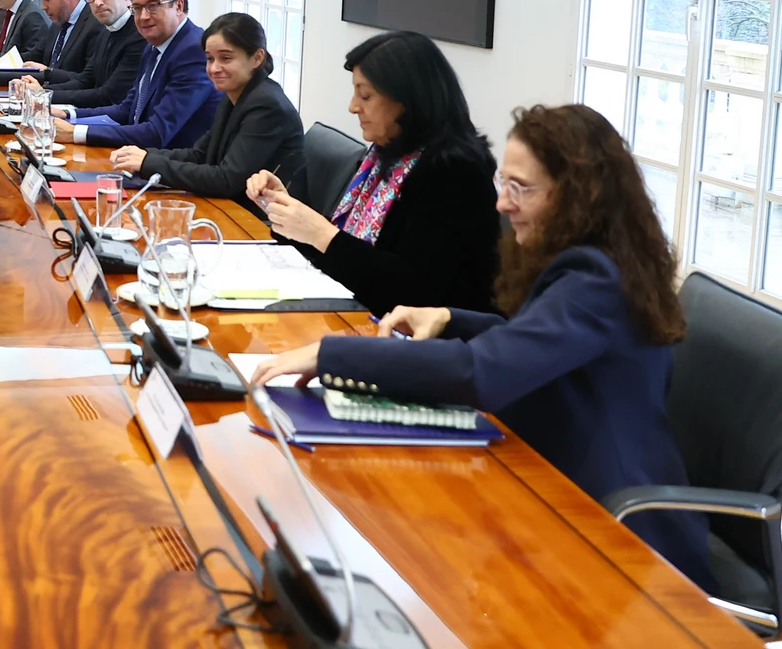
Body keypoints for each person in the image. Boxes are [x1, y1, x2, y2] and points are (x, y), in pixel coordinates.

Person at [250, 104, 714, 593]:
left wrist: (332, 354)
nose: (502, 204)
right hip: (550, 480)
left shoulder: (594, 280)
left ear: (579, 197)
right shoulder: (592, 262)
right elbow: (532, 338)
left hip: (613, 526)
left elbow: (481, 373)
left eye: (522, 188)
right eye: (503, 184)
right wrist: (451, 318)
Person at [245, 30, 499, 314]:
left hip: (424, 343)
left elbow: (416, 292)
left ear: (407, 99)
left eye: (365, 95)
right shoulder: (386, 155)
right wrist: (286, 209)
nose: (353, 107)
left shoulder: (454, 172)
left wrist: (320, 233)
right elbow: (343, 251)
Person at [111, 13, 304, 219]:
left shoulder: (267, 105)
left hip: (262, 223)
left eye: (226, 58)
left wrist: (149, 162)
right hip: (232, 211)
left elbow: (226, 180)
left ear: (257, 58)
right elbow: (200, 155)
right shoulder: (236, 94)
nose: (214, 68)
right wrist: (141, 155)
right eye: (210, 58)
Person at [51, 0, 217, 149]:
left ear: (178, 6)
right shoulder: (154, 46)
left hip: (174, 167)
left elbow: (157, 132)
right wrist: (68, 115)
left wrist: (75, 133)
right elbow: (128, 109)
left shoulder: (194, 51)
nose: (143, 16)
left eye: (153, 6)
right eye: (137, 8)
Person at [24, 0, 144, 108]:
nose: (97, 2)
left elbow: (109, 96)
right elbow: (85, 80)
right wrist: (41, 91)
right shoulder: (106, 31)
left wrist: (45, 95)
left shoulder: (139, 36)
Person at [22, 0, 98, 75]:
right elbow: (34, 54)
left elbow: (87, 79)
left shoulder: (95, 25)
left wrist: (48, 73)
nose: (43, 7)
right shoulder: (58, 23)